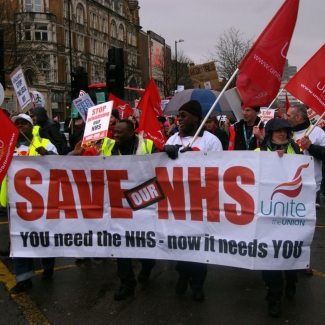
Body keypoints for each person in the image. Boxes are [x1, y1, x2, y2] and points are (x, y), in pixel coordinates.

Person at [72, 119, 157, 300]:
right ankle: (126, 283)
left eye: (120, 132)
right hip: (117, 204)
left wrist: (171, 153)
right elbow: (91, 167)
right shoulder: (107, 146)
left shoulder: (149, 145)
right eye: (114, 132)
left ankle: (148, 266)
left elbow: (163, 166)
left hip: (142, 204)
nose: (115, 135)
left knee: (145, 247)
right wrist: (77, 154)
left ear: (131, 132)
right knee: (121, 245)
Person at [163, 100, 223, 302]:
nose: (178, 119)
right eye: (178, 115)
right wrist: (165, 152)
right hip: (177, 202)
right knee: (180, 244)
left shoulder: (211, 141)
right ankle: (182, 273)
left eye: (183, 115)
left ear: (197, 117)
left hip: (200, 202)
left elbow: (219, 169)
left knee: (198, 246)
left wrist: (196, 159)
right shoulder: (172, 140)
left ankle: (197, 284)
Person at [2, 114, 58, 294]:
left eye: (23, 123)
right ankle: (24, 279)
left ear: (31, 124)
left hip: (42, 203)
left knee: (44, 239)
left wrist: (47, 155)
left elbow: (61, 166)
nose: (20, 126)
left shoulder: (45, 143)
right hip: (15, 204)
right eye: (16, 123)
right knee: (19, 242)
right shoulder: (4, 146)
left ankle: (48, 264)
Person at [255, 118, 302, 318]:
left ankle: (291, 280)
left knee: (289, 256)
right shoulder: (258, 154)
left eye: (285, 131)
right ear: (269, 134)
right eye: (278, 131)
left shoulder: (296, 152)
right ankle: (274, 297)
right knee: (269, 258)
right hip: (266, 215)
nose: (282, 134)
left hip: (290, 214)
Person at [286, 105, 325, 212]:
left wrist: (311, 147)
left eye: (289, 115)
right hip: (288, 184)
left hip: (311, 186)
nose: (286, 118)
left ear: (298, 117)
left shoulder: (317, 132)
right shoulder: (286, 132)